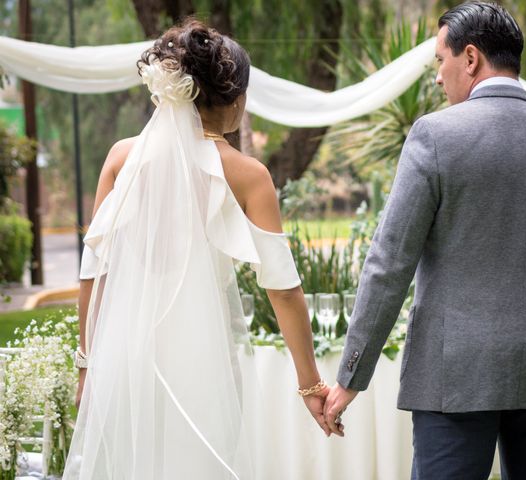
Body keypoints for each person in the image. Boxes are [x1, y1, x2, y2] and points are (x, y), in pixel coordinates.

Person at [323, 3, 526, 479]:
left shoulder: (435, 137)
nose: (438, 78)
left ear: (470, 58)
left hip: (454, 377)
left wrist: (349, 378)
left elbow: (389, 264)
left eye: (440, 62)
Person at [63, 19, 329, 480]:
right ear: (236, 99)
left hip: (123, 357)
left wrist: (88, 365)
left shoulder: (121, 157)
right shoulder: (249, 175)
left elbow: (94, 271)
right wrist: (310, 385)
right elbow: (283, 290)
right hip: (204, 364)